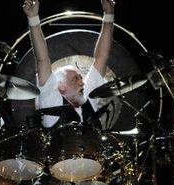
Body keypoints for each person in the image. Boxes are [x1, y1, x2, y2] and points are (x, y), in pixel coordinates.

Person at [23, 0, 115, 128]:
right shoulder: (52, 102)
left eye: (81, 78)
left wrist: (109, 15)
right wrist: (33, 18)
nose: (82, 82)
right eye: (75, 79)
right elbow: (42, 60)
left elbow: (102, 57)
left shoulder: (87, 96)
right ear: (60, 87)